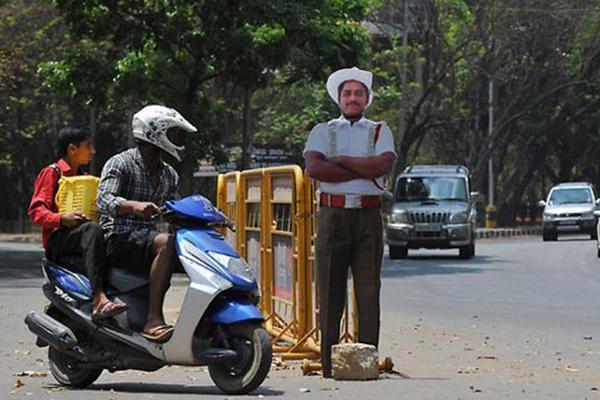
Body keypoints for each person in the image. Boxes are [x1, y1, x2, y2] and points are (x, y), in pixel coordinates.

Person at [303, 67, 396, 377]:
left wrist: (340, 160)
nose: (353, 98)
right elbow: (316, 169)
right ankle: (330, 365)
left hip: (369, 216)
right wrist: (364, 170)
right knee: (330, 290)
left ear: (367, 99)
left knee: (368, 290)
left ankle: (366, 363)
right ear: (338, 99)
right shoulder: (322, 130)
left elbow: (384, 163)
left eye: (358, 93)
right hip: (333, 216)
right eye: (347, 93)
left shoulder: (380, 130)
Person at [96, 105, 197, 343]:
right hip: (117, 239)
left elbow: (176, 207)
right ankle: (153, 320)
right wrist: (133, 206)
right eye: (173, 133)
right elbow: (103, 199)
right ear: (155, 133)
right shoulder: (120, 163)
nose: (178, 139)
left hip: (145, 241)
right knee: (167, 243)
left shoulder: (169, 174)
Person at [28, 127, 128, 320]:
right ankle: (99, 299)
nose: (93, 151)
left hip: (80, 235)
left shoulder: (84, 177)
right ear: (72, 149)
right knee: (93, 230)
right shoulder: (52, 173)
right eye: (88, 146)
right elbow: (35, 210)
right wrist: (61, 219)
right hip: (58, 239)